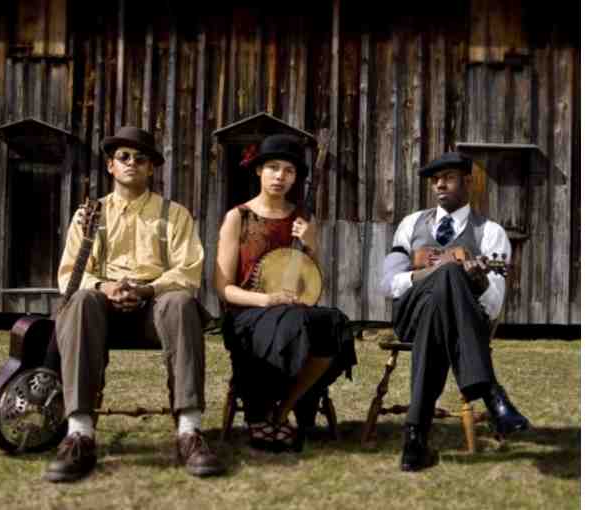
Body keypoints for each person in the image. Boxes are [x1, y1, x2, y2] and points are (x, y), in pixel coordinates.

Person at [46, 126, 225, 482]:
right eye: (123, 157)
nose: (132, 163)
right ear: (110, 166)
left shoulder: (174, 214)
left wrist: (146, 290)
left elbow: (187, 271)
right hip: (101, 310)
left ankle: (189, 431)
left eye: (140, 158)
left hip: (154, 309)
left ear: (151, 168)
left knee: (180, 301)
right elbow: (69, 275)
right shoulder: (90, 214)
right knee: (80, 299)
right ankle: (79, 434)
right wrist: (105, 286)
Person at [380, 151, 530, 472]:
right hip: (411, 316)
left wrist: (477, 280)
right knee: (448, 273)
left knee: (438, 312)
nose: (439, 185)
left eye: (448, 178)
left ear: (468, 182)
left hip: (456, 322)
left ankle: (415, 437)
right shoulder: (411, 224)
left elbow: (492, 306)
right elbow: (389, 284)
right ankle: (490, 393)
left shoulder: (490, 233)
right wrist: (432, 273)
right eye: (435, 180)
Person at [214, 134, 357, 452]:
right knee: (292, 322)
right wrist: (267, 299)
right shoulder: (238, 217)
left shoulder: (302, 219)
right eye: (273, 167)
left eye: (289, 170)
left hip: (293, 313)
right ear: (258, 170)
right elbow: (223, 288)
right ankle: (259, 412)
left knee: (333, 322)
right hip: (248, 314)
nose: (280, 176)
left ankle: (283, 409)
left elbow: (313, 283)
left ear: (295, 177)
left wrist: (312, 244)